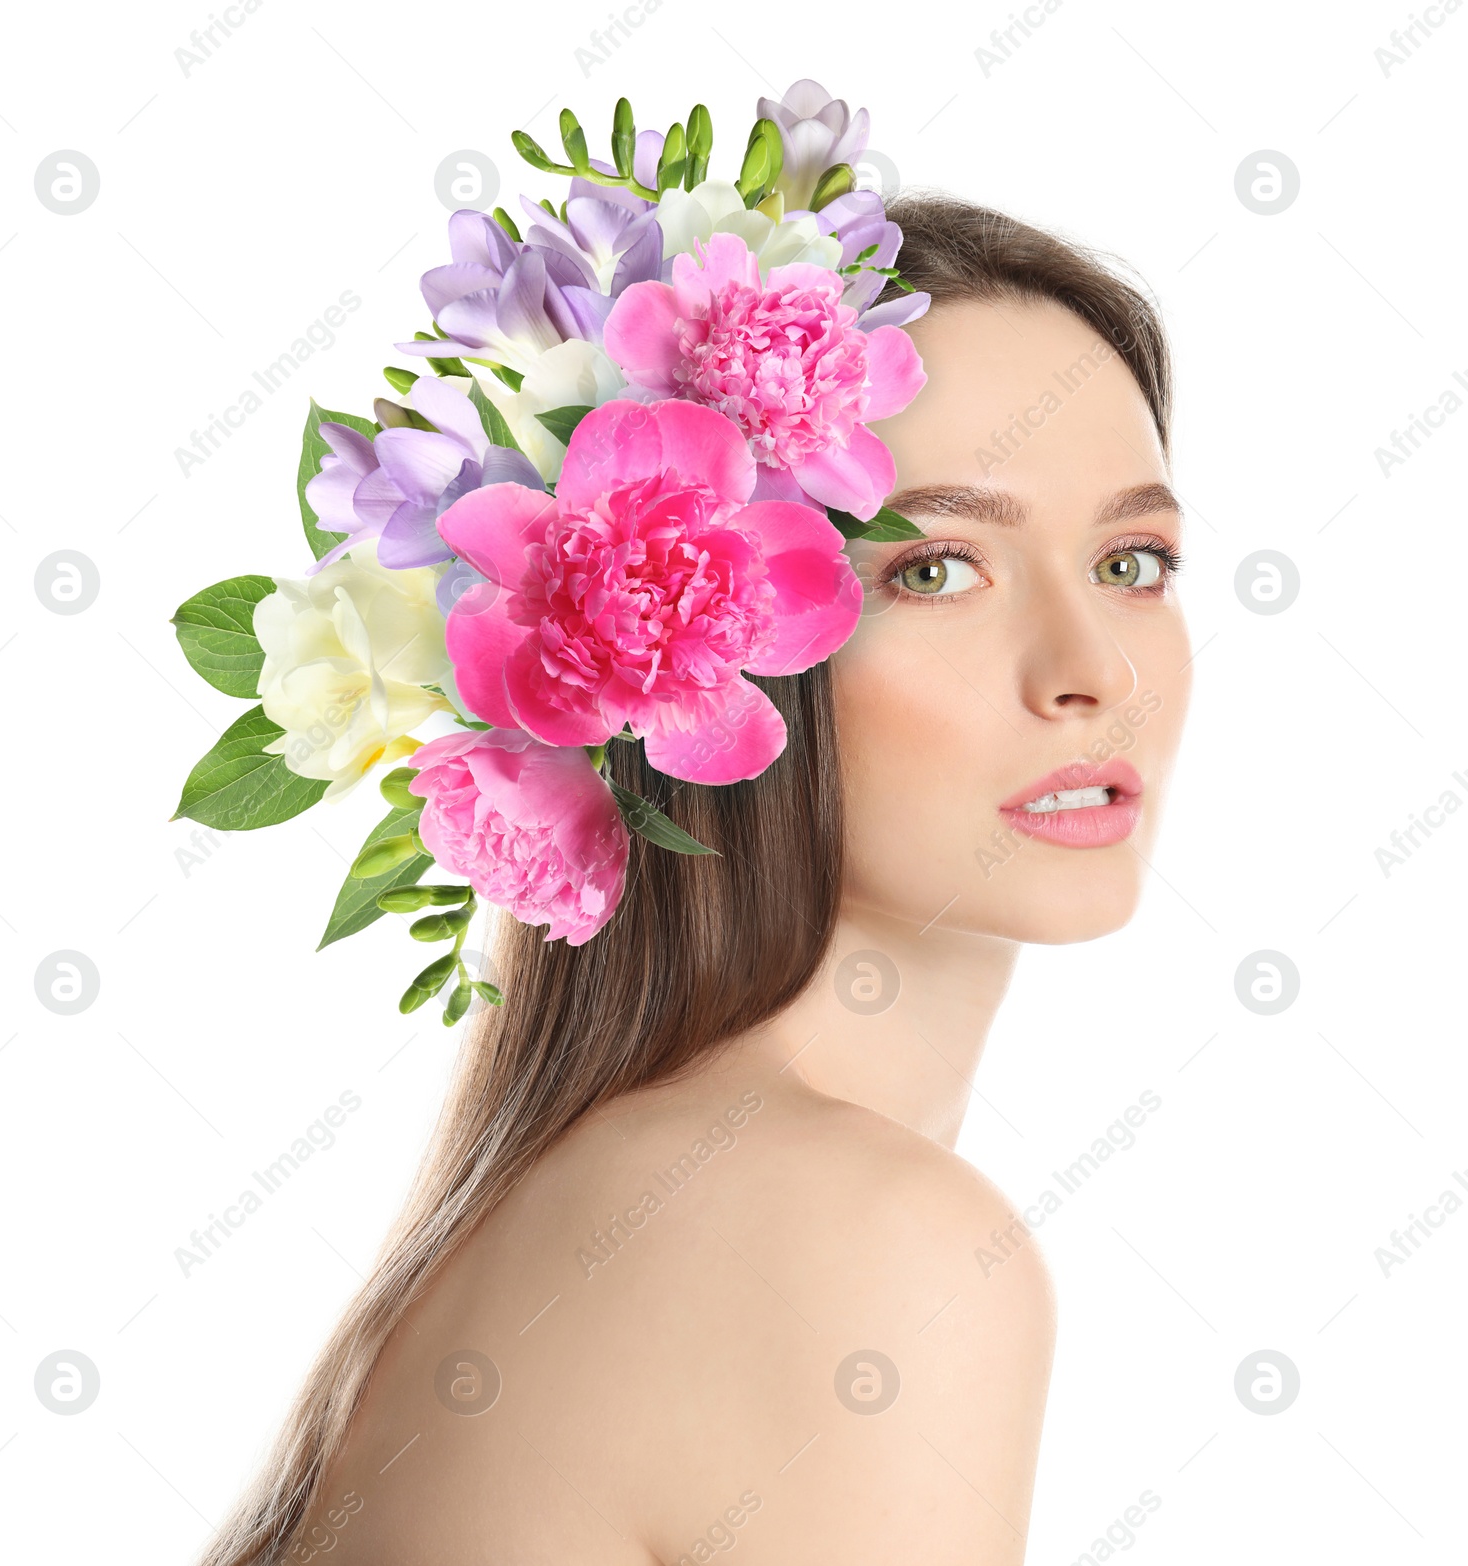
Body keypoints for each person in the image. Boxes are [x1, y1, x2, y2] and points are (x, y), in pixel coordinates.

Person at [195, 187, 1190, 1566]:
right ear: (704, 641)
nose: (1099, 669)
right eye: (940, 568)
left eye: (1134, 559)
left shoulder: (608, 1194)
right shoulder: (864, 1242)